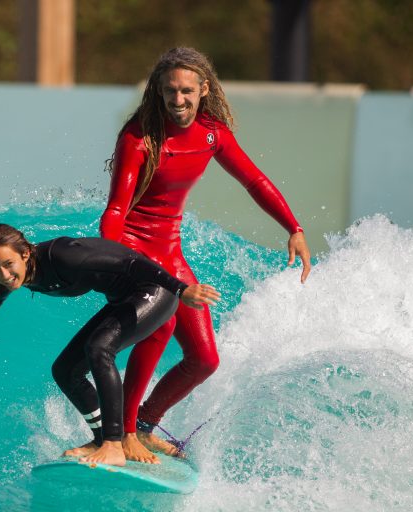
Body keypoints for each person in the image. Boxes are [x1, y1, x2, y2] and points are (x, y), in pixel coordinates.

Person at [99, 47, 312, 463]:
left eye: (185, 92)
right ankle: (123, 433)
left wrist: (294, 227)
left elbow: (254, 181)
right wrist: (113, 261)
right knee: (159, 329)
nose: (177, 100)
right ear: (157, 92)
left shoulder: (212, 134)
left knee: (204, 359)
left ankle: (144, 424)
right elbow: (116, 210)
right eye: (168, 92)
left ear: (204, 90)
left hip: (169, 250)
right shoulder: (140, 135)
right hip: (134, 250)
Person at [0, 223, 221, 466]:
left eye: (8, 265)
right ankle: (103, 438)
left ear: (25, 253)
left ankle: (115, 443)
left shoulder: (65, 257)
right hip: (125, 299)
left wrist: (181, 289)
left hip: (156, 290)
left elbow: (133, 265)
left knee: (99, 347)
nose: (4, 275)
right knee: (65, 370)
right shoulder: (15, 274)